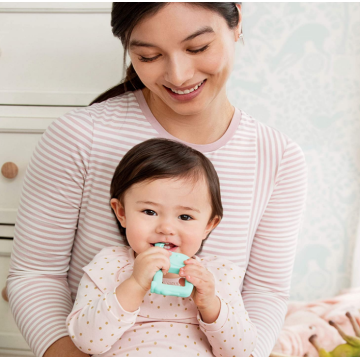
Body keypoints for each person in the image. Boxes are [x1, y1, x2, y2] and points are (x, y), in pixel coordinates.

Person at [7, 2, 307, 357]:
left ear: (237, 20)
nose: (178, 75)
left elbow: (265, 293)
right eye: (149, 56)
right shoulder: (78, 136)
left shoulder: (279, 158)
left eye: (198, 48)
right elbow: (36, 275)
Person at [66, 138, 257, 357]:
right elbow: (86, 341)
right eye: (149, 212)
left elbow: (241, 352)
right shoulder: (108, 265)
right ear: (122, 213)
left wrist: (211, 305)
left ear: (209, 225)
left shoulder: (218, 276)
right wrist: (135, 284)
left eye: (185, 216)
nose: (166, 228)